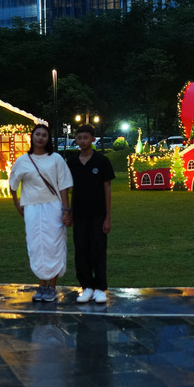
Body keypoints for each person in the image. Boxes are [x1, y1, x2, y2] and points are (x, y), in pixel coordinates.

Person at [9, 124, 73, 303]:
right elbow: (13, 185)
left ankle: (52, 286)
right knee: (36, 244)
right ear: (32, 137)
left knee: (54, 244)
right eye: (37, 134)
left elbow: (64, 186)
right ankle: (42, 284)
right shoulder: (22, 161)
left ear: (48, 139)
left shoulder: (56, 159)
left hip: (53, 206)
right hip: (32, 208)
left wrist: (66, 211)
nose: (40, 138)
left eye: (44, 135)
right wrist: (18, 205)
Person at [66, 124, 114, 304]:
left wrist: (108, 217)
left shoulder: (102, 161)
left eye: (86, 138)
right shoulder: (72, 163)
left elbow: (107, 189)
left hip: (98, 214)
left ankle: (100, 288)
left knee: (98, 250)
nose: (82, 141)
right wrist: (68, 212)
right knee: (81, 249)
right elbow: (68, 189)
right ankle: (86, 286)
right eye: (79, 138)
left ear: (93, 139)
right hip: (79, 214)